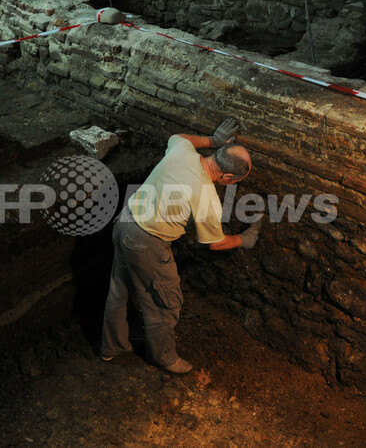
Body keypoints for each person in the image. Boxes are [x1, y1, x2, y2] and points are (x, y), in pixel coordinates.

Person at [100, 118, 261, 374]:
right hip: (146, 241)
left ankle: (112, 347)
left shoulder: (182, 150)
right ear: (228, 176)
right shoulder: (206, 196)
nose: (233, 185)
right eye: (234, 181)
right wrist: (244, 239)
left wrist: (212, 139)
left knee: (119, 289)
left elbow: (178, 136)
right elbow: (215, 243)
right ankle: (165, 357)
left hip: (124, 222)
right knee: (163, 303)